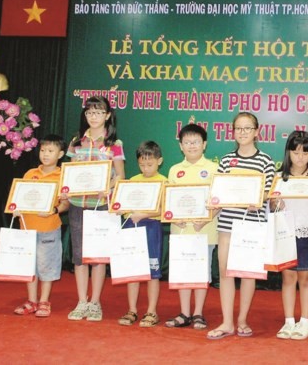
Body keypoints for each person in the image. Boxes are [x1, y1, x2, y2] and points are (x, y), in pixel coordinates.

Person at [206, 112, 275, 340]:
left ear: (257, 131)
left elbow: (268, 192)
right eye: (238, 128)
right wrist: (211, 204)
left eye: (247, 128)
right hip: (227, 223)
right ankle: (227, 322)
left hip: (253, 225)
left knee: (247, 274)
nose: (242, 132)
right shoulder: (226, 160)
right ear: (233, 132)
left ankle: (242, 319)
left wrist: (259, 199)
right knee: (225, 272)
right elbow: (219, 192)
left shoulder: (266, 161)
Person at [66, 96, 125, 322]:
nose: (94, 117)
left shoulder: (114, 145)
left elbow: (120, 176)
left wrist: (107, 187)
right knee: (79, 257)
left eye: (99, 112)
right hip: (78, 205)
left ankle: (95, 302)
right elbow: (69, 174)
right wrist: (66, 189)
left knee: (98, 257)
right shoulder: (76, 142)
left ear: (107, 115)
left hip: (101, 206)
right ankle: (82, 301)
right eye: (90, 113)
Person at [269, 131, 308, 340]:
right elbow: (272, 205)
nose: (300, 157)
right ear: (288, 153)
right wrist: (275, 203)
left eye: (305, 153)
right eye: (295, 152)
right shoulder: (279, 177)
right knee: (288, 278)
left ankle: (305, 322)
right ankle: (288, 321)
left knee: (306, 278)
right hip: (285, 233)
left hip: (307, 232)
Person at [164, 122, 219, 330]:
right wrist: (172, 217)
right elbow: (169, 201)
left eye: (196, 142)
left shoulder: (213, 168)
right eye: (187, 142)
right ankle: (184, 312)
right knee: (182, 271)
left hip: (204, 230)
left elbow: (218, 201)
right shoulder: (174, 170)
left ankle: (198, 313)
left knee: (201, 272)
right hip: (180, 230)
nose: (191, 146)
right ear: (180, 146)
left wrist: (206, 218)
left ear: (204, 144)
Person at [13, 134, 69, 318]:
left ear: (60, 154)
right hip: (27, 228)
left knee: (47, 265)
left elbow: (65, 204)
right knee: (29, 266)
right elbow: (18, 198)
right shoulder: (30, 174)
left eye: (51, 151)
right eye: (43, 150)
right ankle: (31, 301)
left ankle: (44, 301)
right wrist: (15, 209)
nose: (45, 154)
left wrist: (53, 211)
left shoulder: (63, 176)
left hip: (49, 228)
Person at [118, 141, 166, 328]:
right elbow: (122, 207)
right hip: (132, 228)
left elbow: (164, 209)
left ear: (159, 161)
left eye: (150, 164)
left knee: (153, 273)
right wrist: (119, 208)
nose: (145, 168)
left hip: (152, 228)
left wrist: (145, 214)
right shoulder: (131, 181)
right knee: (133, 271)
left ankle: (152, 311)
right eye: (142, 164)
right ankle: (132, 309)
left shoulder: (164, 181)